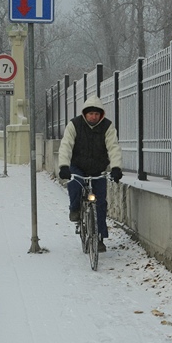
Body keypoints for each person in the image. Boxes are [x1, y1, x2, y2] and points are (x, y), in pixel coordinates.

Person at [58, 95, 123, 252]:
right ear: (85, 114)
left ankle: (99, 237)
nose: (93, 117)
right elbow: (66, 145)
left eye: (96, 114)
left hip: (98, 168)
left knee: (100, 202)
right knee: (74, 184)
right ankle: (74, 209)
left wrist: (116, 168)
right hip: (77, 165)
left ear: (101, 114)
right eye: (90, 114)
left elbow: (113, 147)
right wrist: (64, 166)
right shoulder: (74, 125)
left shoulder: (107, 126)